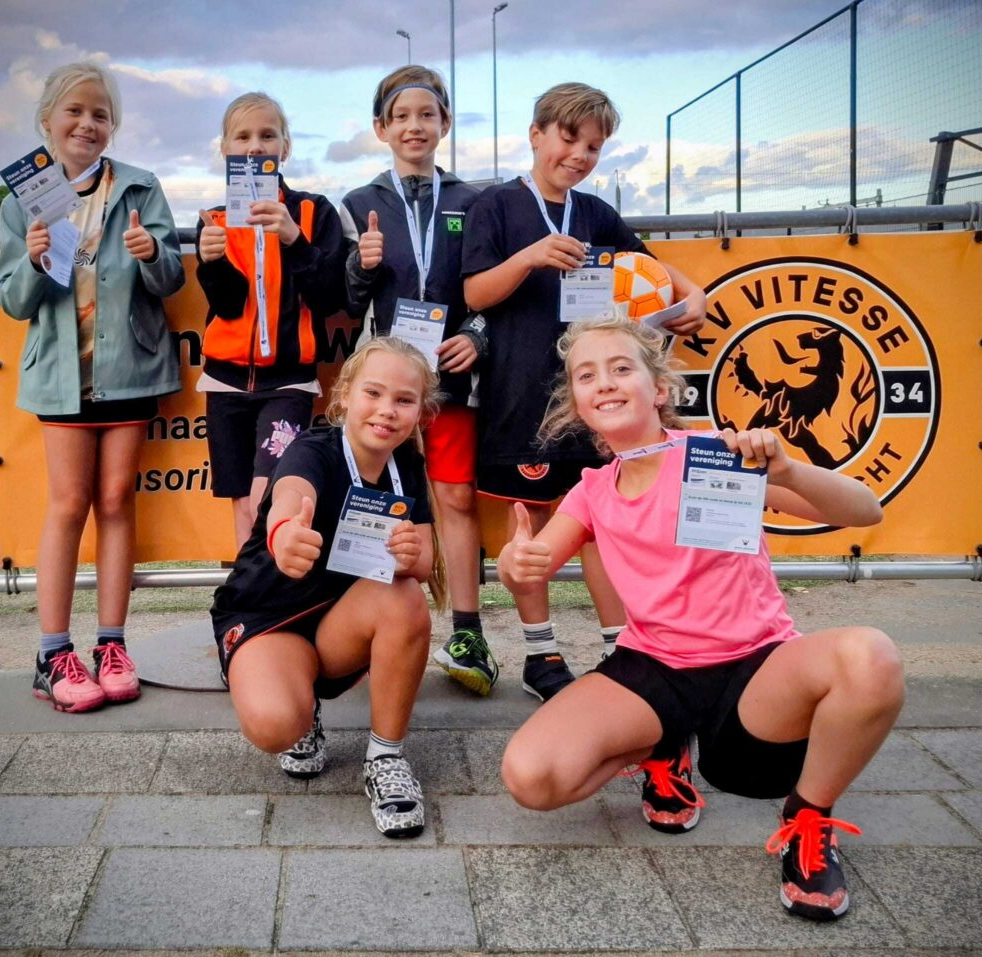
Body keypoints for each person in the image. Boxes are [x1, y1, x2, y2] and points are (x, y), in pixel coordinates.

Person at [499, 317, 904, 921]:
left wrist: (787, 471)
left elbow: (866, 511)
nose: (604, 382)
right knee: (531, 778)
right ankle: (662, 744)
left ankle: (807, 817)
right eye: (587, 375)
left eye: (621, 368)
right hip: (653, 667)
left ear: (658, 388)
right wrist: (516, 564)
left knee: (872, 658)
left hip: (757, 667)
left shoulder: (722, 454)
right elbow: (529, 571)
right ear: (578, 402)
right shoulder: (591, 490)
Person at [462, 82, 707, 701]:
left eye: (593, 147)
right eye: (569, 139)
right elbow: (474, 293)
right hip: (523, 394)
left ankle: (621, 647)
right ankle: (540, 653)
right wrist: (529, 257)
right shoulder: (496, 206)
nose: (579, 155)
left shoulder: (596, 213)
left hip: (599, 397)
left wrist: (693, 294)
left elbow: (652, 269)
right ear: (536, 134)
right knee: (533, 521)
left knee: (606, 522)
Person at [0, 61, 183, 713]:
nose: (87, 123)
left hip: (131, 371)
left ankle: (112, 645)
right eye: (74, 111)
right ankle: (52, 653)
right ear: (47, 119)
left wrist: (152, 254)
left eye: (100, 114)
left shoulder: (140, 187)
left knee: (115, 500)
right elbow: (12, 300)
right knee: (68, 503)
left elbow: (171, 279)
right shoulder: (20, 200)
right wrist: (35, 258)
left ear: (113, 126)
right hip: (61, 378)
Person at [210, 337, 444, 837]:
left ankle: (385, 757)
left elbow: (424, 561)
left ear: (421, 412)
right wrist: (284, 533)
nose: (387, 410)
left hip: (339, 624)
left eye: (404, 400)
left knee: (404, 595)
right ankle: (299, 703)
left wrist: (410, 555)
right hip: (269, 618)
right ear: (344, 396)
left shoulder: (407, 465)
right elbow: (292, 494)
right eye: (373, 393)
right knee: (276, 726)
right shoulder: (312, 448)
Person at [341, 65, 496, 696]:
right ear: (381, 128)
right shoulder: (359, 203)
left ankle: (468, 631)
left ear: (444, 124)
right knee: (379, 498)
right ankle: (368, 629)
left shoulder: (474, 200)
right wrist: (360, 266)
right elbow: (347, 302)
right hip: (390, 383)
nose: (414, 126)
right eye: (401, 116)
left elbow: (490, 289)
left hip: (452, 376)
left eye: (426, 115)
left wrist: (477, 335)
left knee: (455, 497)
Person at [196, 92, 346, 550]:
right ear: (225, 148)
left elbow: (330, 297)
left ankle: (272, 581)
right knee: (242, 502)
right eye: (242, 137)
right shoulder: (214, 218)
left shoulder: (313, 211)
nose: (255, 146)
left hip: (288, 381)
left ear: (285, 146)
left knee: (269, 496)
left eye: (267, 135)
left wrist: (294, 240)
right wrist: (212, 263)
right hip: (224, 381)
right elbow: (227, 306)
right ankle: (249, 587)